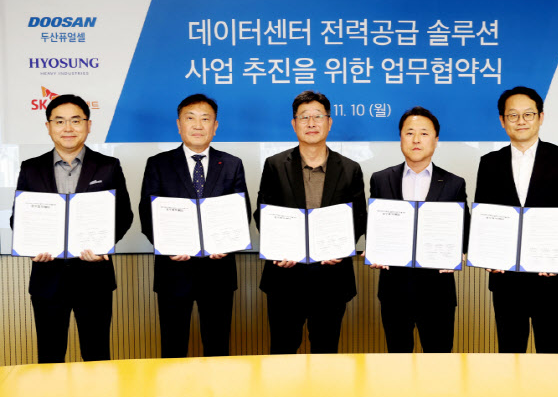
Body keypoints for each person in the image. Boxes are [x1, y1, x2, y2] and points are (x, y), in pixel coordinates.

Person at [9, 94, 134, 363]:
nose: (68, 128)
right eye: (60, 121)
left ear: (88, 125)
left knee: (97, 355)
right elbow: (18, 219)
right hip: (47, 278)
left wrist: (103, 246)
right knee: (49, 356)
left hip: (94, 278)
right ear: (48, 126)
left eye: (76, 121)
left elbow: (124, 215)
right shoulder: (31, 168)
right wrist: (32, 246)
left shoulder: (108, 166)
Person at [474, 86, 558, 353]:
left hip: (550, 274)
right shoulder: (489, 163)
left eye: (528, 114)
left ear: (541, 117)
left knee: (551, 353)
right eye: (513, 115)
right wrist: (489, 253)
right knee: (510, 353)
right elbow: (482, 217)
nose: (521, 121)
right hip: (506, 277)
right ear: (502, 121)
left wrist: (554, 253)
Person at [254, 90, 367, 354]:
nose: (311, 123)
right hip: (285, 278)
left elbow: (359, 217)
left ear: (329, 122)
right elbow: (263, 213)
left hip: (331, 279)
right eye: (304, 117)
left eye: (318, 116)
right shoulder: (275, 165)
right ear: (294, 124)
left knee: (326, 353)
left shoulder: (350, 168)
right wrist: (277, 248)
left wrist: (341, 248)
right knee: (282, 352)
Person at [139, 94, 251, 358]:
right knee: (172, 348)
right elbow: (147, 213)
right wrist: (167, 246)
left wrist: (229, 243)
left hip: (218, 272)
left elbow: (241, 212)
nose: (198, 125)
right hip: (173, 271)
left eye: (205, 119)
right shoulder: (158, 164)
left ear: (215, 126)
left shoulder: (232, 164)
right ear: (179, 124)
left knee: (217, 348)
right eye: (190, 118)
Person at [367, 106, 469, 353]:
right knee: (397, 360)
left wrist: (460, 253)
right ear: (400, 137)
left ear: (436, 139)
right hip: (394, 290)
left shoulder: (454, 183)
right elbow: (375, 227)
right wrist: (374, 249)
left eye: (424, 133)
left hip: (438, 292)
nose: (416, 139)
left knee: (439, 361)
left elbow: (464, 231)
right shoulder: (380, 179)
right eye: (409, 132)